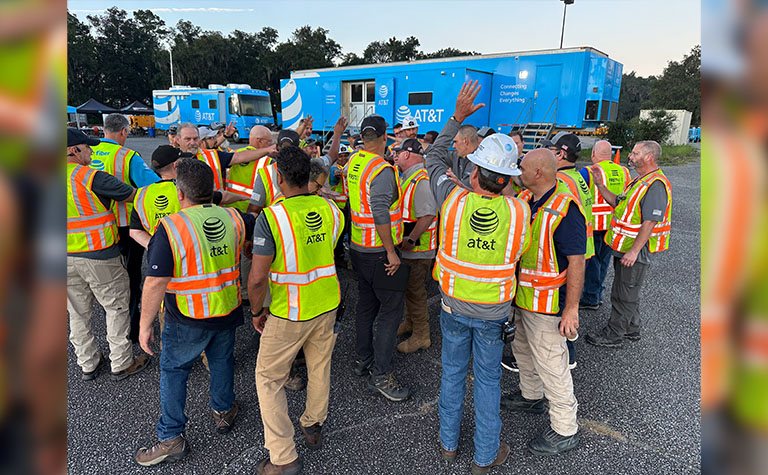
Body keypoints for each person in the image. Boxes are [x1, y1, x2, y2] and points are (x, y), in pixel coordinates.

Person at [425, 81, 530, 474]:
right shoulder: (521, 212)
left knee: (452, 373)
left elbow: (434, 157)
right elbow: (518, 253)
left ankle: (449, 444)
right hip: (494, 313)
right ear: (506, 178)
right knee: (487, 383)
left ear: (474, 173)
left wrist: (457, 117)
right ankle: (485, 456)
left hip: (453, 306)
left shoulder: (451, 200)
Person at [135, 158, 256, 466]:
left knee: (174, 372)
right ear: (212, 190)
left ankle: (171, 438)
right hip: (226, 310)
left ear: (180, 193)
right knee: (221, 361)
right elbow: (260, 234)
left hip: (186, 316)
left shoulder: (171, 227)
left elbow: (155, 283)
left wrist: (144, 325)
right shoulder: (235, 218)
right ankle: (224, 410)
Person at [248, 145, 344, 475]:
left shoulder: (271, 217)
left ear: (278, 178)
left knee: (268, 379)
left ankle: (283, 456)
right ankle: (313, 424)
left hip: (289, 310)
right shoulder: (333, 211)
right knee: (319, 366)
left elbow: (258, 278)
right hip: (327, 303)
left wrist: (256, 311)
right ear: (310, 177)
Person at [501, 147, 587, 456]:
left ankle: (565, 428)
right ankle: (531, 395)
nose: (518, 172)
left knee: (552, 364)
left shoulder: (565, 209)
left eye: (522, 167)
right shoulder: (527, 201)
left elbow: (577, 262)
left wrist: (572, 309)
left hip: (549, 304)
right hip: (523, 298)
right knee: (522, 350)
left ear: (538, 172)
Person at [66, 128, 149, 381]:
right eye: (87, 147)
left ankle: (88, 363)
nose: (91, 151)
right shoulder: (89, 176)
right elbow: (134, 194)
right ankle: (122, 361)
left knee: (77, 312)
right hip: (98, 253)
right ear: (74, 151)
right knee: (116, 306)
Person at [346, 114, 409, 402]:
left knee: (366, 305)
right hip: (379, 253)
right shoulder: (382, 169)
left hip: (359, 247)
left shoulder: (355, 162)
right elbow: (380, 210)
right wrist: (391, 251)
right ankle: (381, 375)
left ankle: (363, 359)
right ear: (387, 137)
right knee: (391, 311)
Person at [585, 140, 671, 348]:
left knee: (624, 293)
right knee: (627, 290)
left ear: (648, 157)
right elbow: (618, 203)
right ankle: (632, 328)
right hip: (626, 247)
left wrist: (634, 251)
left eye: (635, 153)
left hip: (636, 250)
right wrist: (599, 185)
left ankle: (614, 335)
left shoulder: (655, 184)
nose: (630, 157)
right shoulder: (639, 181)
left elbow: (650, 221)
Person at [90, 113, 160, 341]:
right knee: (130, 276)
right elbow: (153, 186)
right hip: (124, 226)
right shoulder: (127, 156)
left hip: (95, 227)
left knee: (107, 278)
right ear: (124, 132)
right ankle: (131, 325)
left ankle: (113, 318)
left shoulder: (87, 153)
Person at [392, 138, 438, 354]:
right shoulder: (410, 178)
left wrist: (410, 239)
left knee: (416, 292)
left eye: (398, 152)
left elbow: (428, 215)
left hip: (419, 249)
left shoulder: (421, 180)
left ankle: (422, 335)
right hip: (413, 248)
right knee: (410, 290)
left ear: (407, 154)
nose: (395, 155)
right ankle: (410, 323)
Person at [579, 140, 630, 310]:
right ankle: (597, 292)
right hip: (612, 224)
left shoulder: (588, 171)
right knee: (604, 261)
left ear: (593, 153)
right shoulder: (624, 171)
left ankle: (591, 297)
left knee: (592, 262)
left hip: (593, 225)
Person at [176, 122, 275, 192]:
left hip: (214, 212)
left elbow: (240, 157)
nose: (192, 142)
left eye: (195, 138)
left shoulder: (213, 155)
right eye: (187, 139)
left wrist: (267, 150)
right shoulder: (170, 160)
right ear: (178, 140)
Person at [226, 125, 273, 213]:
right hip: (252, 210)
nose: (270, 144)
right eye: (269, 141)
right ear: (260, 141)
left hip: (229, 209)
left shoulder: (233, 155)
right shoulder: (268, 162)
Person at [432, 117, 481, 190]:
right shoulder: (457, 156)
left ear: (465, 141)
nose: (453, 146)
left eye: (455, 142)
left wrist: (460, 185)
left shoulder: (483, 163)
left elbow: (486, 196)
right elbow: (435, 152)